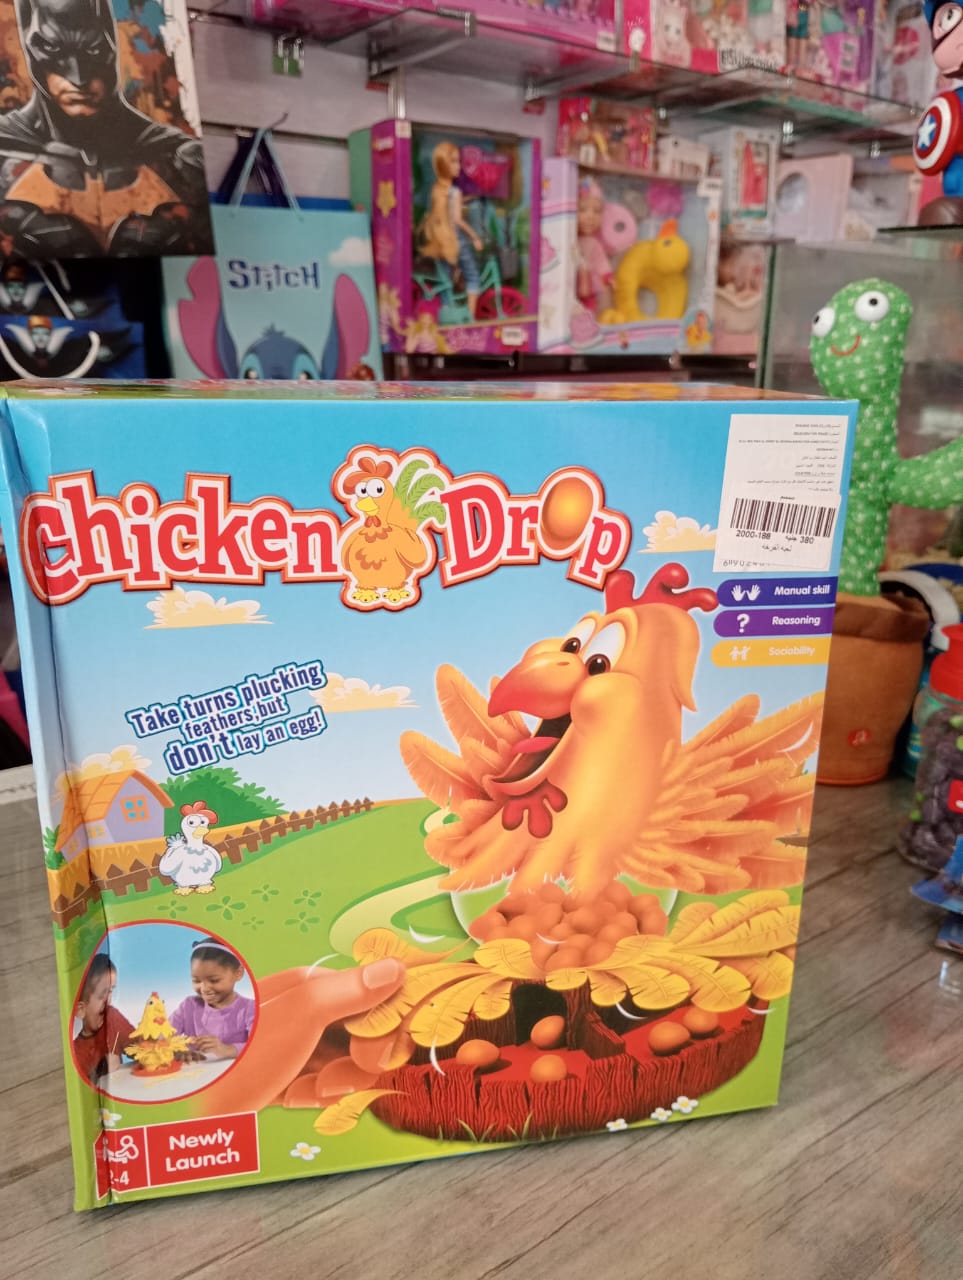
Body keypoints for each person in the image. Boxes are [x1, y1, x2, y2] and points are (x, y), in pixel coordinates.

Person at [0, 0, 210, 259]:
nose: (78, 77)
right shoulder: (7, 145)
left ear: (111, 47)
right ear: (27, 45)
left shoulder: (175, 156)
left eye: (94, 49)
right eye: (52, 48)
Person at [419, 141, 483, 318]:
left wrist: (464, 200)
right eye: (454, 161)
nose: (458, 166)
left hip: (441, 240)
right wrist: (475, 237)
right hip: (457, 241)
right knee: (473, 276)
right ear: (443, 165)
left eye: (458, 161)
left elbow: (440, 211)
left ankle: (446, 311)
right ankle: (470, 317)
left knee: (445, 278)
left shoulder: (436, 191)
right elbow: (457, 220)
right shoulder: (455, 192)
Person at [169, 939, 256, 1061]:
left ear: (238, 973)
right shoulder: (188, 1006)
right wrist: (176, 1050)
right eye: (196, 981)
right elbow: (163, 1037)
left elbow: (260, 1044)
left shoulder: (250, 1009)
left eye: (214, 980)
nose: (204, 989)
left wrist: (228, 1049)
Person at [72, 952, 136, 1084]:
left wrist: (153, 1042)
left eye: (111, 991)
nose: (109, 1000)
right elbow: (81, 1086)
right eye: (102, 996)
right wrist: (103, 1068)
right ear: (81, 1010)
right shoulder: (76, 1051)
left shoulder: (112, 1017)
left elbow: (137, 1045)